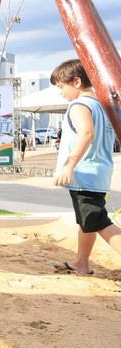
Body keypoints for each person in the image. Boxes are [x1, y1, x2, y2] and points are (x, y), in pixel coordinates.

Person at [50, 58, 121, 275]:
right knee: (86, 220)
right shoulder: (101, 105)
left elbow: (86, 133)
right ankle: (81, 262)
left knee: (98, 221)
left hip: (85, 174)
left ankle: (82, 262)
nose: (61, 92)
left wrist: (69, 165)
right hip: (99, 173)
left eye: (62, 86)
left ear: (77, 81)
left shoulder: (79, 105)